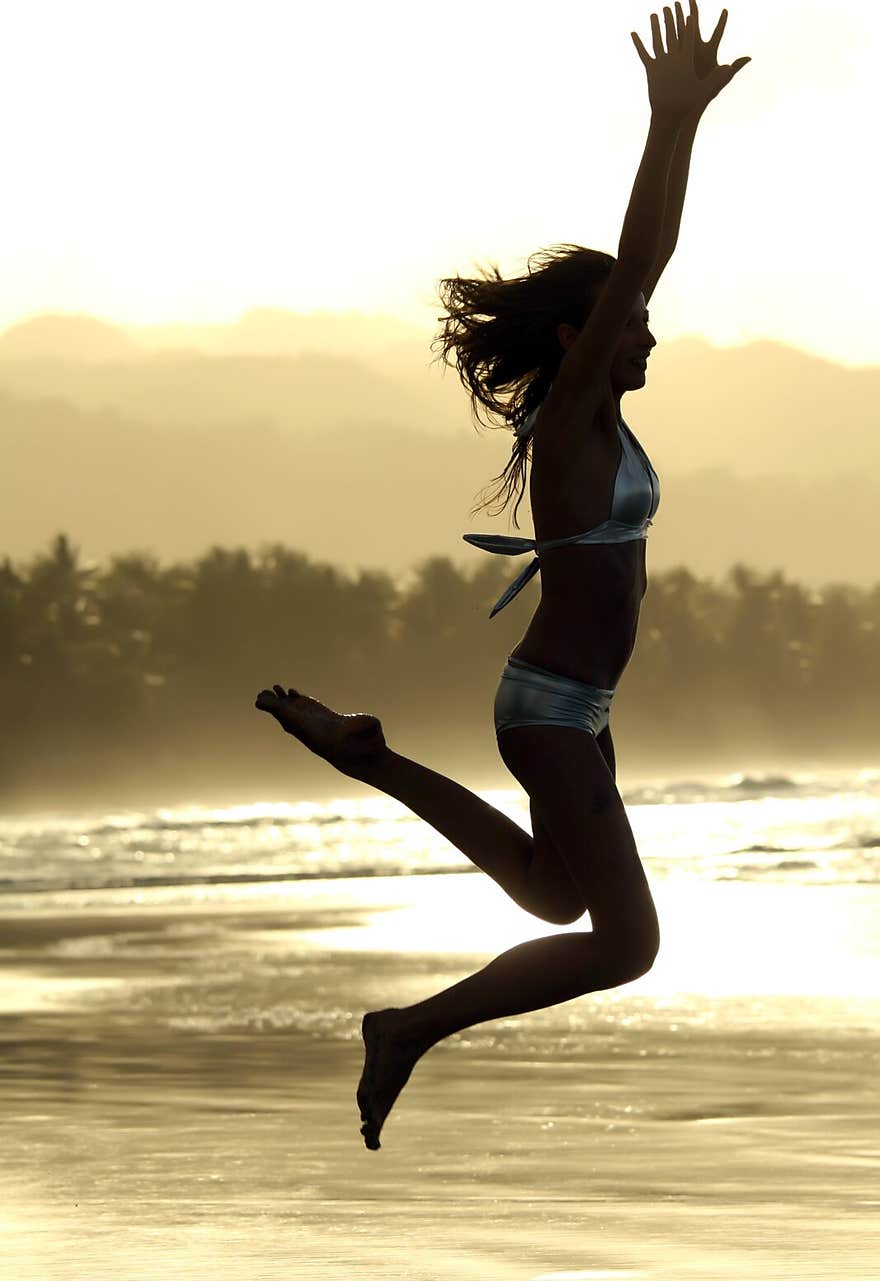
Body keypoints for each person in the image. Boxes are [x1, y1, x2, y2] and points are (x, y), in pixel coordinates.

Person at [255, 2, 751, 1150]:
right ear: (583, 335)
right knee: (626, 947)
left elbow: (636, 282)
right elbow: (642, 257)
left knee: (550, 894)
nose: (649, 339)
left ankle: (366, 756)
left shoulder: (601, 427)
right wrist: (669, 124)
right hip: (550, 713)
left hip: (579, 709)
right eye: (631, 326)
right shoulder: (575, 414)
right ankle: (408, 1029)